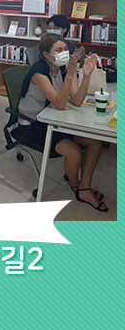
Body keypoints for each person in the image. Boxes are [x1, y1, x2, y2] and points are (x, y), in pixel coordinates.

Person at [18, 33, 107, 212]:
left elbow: (77, 100)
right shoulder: (39, 72)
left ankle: (85, 188)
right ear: (46, 54)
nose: (64, 53)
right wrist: (71, 74)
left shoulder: (63, 68)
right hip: (33, 123)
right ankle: (77, 185)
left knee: (95, 142)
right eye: (58, 50)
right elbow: (60, 103)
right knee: (74, 153)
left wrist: (86, 75)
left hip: (54, 118)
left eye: (65, 49)